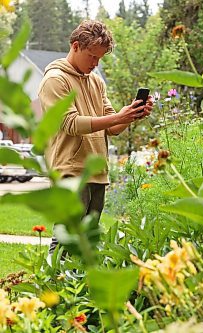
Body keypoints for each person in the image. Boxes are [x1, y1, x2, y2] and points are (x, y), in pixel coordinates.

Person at [37, 20, 153, 253]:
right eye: (92, 56)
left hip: (96, 172)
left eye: (99, 58)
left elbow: (111, 127)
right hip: (70, 171)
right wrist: (116, 118)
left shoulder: (96, 82)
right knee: (66, 238)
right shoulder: (55, 80)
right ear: (76, 46)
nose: (95, 63)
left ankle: (74, 288)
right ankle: (49, 286)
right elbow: (70, 124)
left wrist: (130, 115)